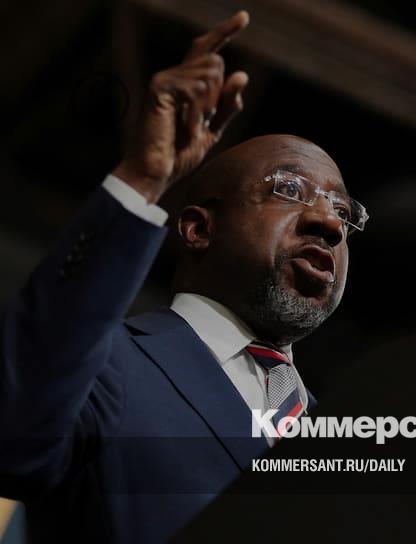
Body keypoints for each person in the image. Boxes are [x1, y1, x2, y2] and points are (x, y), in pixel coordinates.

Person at [0, 11, 367, 543]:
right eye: (288, 189)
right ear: (197, 229)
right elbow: (15, 435)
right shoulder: (105, 364)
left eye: (344, 212)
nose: (329, 223)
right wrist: (142, 180)